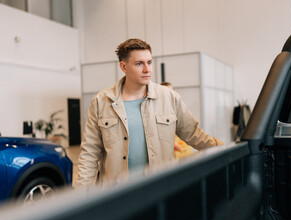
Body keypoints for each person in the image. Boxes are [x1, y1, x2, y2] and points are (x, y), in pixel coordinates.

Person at [76, 38, 223, 187]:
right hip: (116, 193)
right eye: (139, 64)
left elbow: (194, 135)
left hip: (160, 189)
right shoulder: (101, 102)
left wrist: (227, 150)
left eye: (149, 62)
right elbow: (89, 153)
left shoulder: (169, 97)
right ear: (124, 67)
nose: (147, 69)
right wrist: (80, 197)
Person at [160, 82, 194, 159]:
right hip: (173, 153)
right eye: (168, 91)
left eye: (172, 91)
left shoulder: (177, 107)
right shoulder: (158, 110)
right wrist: (172, 145)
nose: (172, 94)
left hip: (185, 150)